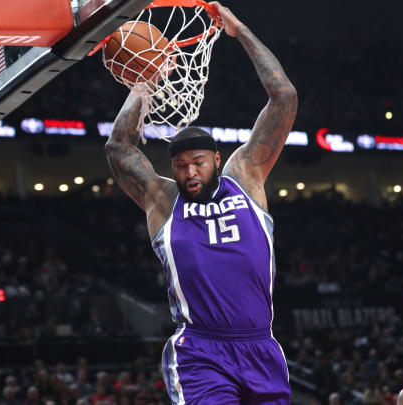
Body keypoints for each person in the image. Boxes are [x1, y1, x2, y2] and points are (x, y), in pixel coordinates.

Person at [104, 1, 297, 403]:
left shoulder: (246, 176)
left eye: (197, 163)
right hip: (200, 352)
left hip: (261, 347)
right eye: (180, 165)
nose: (190, 173)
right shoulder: (163, 198)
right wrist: (143, 86)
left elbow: (283, 97)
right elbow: (119, 147)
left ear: (216, 160)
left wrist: (239, 31)